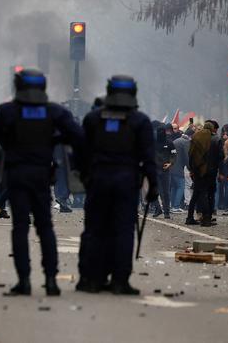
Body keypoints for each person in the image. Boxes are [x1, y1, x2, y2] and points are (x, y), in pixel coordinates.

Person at [0, 68, 85, 297]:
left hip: (17, 173)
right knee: (45, 228)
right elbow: (77, 136)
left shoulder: (7, 110)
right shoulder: (54, 111)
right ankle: (51, 281)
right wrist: (54, 140)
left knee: (20, 227)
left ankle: (24, 281)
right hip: (42, 174)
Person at [77, 75, 157, 295]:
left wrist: (85, 176)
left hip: (98, 179)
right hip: (127, 181)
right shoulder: (139, 121)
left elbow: (82, 152)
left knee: (95, 230)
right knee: (123, 231)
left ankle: (92, 279)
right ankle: (120, 281)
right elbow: (148, 157)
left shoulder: (93, 119)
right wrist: (154, 185)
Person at [187, 121, 222, 226]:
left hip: (197, 171)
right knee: (207, 195)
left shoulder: (196, 137)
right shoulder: (215, 139)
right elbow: (220, 157)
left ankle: (189, 217)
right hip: (210, 171)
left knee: (197, 194)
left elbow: (191, 154)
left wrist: (192, 170)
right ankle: (207, 218)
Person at [151, 124, 176, 218]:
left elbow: (174, 154)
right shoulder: (152, 143)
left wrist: (170, 163)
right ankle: (158, 208)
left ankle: (166, 212)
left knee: (165, 192)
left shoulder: (169, 143)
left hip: (165, 170)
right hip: (155, 170)